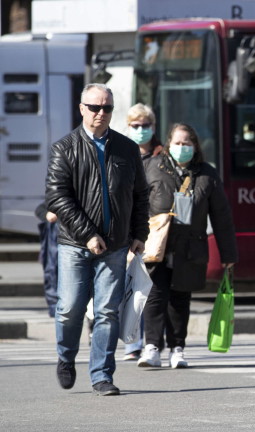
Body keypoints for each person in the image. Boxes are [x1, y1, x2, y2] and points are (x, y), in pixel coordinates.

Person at [45, 83, 149, 396]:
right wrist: (88, 234)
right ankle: (65, 356)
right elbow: (56, 197)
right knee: (70, 308)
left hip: (115, 245)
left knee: (107, 311)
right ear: (81, 109)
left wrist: (139, 233)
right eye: (94, 107)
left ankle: (102, 375)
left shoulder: (127, 149)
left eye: (106, 108)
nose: (100, 114)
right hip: (75, 245)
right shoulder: (64, 148)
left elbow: (140, 195)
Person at [137, 123, 237, 369]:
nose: (182, 148)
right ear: (168, 145)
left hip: (190, 247)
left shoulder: (206, 174)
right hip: (157, 245)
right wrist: (134, 237)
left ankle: (177, 348)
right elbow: (136, 204)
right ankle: (151, 346)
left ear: (195, 146)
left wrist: (228, 253)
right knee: (155, 294)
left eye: (187, 144)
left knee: (180, 297)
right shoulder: (152, 168)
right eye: (178, 143)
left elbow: (221, 216)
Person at [121, 103, 163, 361]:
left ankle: (151, 342)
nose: (140, 130)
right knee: (129, 286)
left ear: (153, 126)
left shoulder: (162, 156)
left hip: (155, 230)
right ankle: (131, 342)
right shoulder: (123, 153)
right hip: (127, 227)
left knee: (149, 287)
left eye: (145, 126)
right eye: (135, 126)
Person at [34, 203, 58, 318]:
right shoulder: (56, 199)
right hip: (55, 248)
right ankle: (54, 308)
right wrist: (47, 215)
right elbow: (40, 209)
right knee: (53, 273)